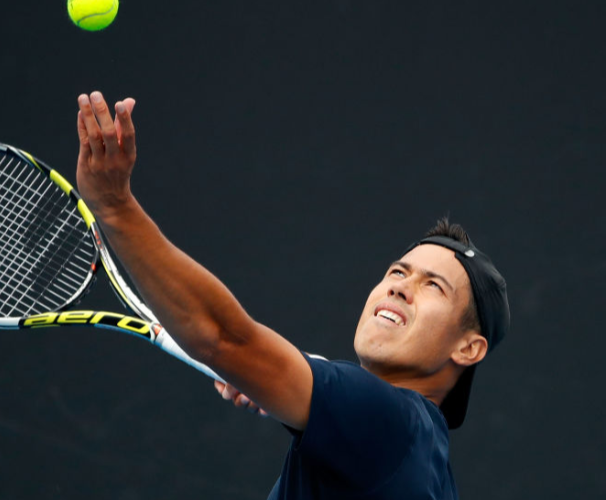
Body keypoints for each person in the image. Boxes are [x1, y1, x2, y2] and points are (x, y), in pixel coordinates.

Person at [74, 91, 510, 499]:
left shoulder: (393, 424)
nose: (400, 285)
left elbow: (222, 338)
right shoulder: (421, 457)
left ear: (469, 348)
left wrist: (116, 208)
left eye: (433, 285)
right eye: (398, 271)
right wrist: (280, 380)